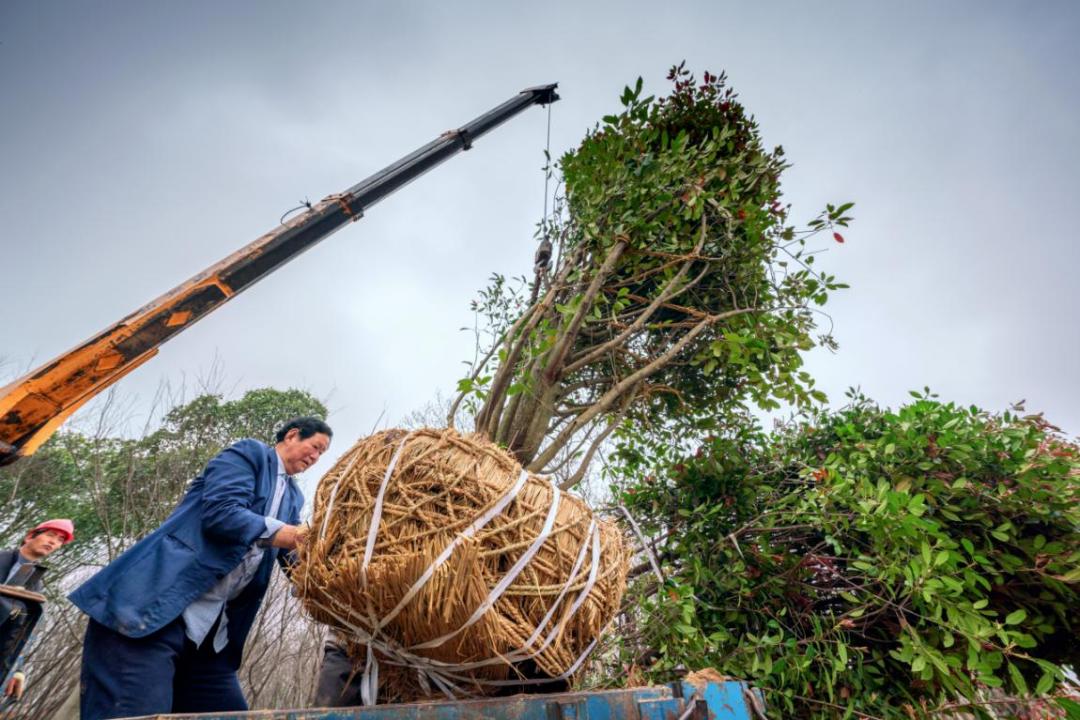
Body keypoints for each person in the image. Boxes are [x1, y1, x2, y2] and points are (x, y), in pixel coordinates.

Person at [70, 416, 332, 720]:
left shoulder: (293, 496)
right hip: (152, 613)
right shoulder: (250, 454)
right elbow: (222, 512)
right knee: (130, 713)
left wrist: (327, 582)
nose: (314, 458)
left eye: (321, 455)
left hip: (210, 637)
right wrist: (296, 536)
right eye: (314, 447)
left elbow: (292, 557)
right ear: (292, 435)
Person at [0, 519, 75, 708]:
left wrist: (15, 671)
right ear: (29, 536)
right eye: (50, 535)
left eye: (59, 540)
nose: (53, 542)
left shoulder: (35, 586)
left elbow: (19, 630)